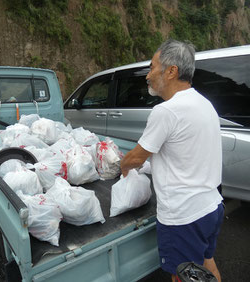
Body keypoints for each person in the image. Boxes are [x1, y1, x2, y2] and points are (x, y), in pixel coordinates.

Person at [120, 39, 224, 282]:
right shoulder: (204, 103)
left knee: (182, 277)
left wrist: (122, 167)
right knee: (206, 265)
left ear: (171, 71)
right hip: (211, 207)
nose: (148, 75)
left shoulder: (166, 111)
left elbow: (135, 157)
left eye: (152, 67)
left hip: (184, 217)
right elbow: (181, 153)